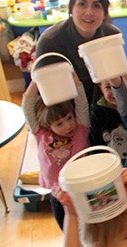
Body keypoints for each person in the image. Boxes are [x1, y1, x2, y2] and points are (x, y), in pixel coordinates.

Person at [22, 72, 89, 229]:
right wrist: (36, 80)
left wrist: (77, 83)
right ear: (48, 126)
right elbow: (27, 107)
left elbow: (82, 105)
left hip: (81, 192)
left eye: (69, 118)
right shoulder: (41, 134)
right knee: (66, 229)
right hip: (57, 195)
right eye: (59, 124)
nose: (68, 126)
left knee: (87, 230)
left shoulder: (81, 130)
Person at [36, 0, 121, 105]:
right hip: (66, 112)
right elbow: (48, 97)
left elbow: (120, 82)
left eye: (96, 5)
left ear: (105, 13)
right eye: (82, 4)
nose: (89, 12)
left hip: (103, 106)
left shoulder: (111, 37)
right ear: (71, 8)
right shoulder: (50, 42)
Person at [89, 79, 127, 165]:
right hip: (109, 168)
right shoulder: (97, 114)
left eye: (120, 86)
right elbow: (96, 147)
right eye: (108, 87)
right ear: (100, 87)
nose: (115, 92)